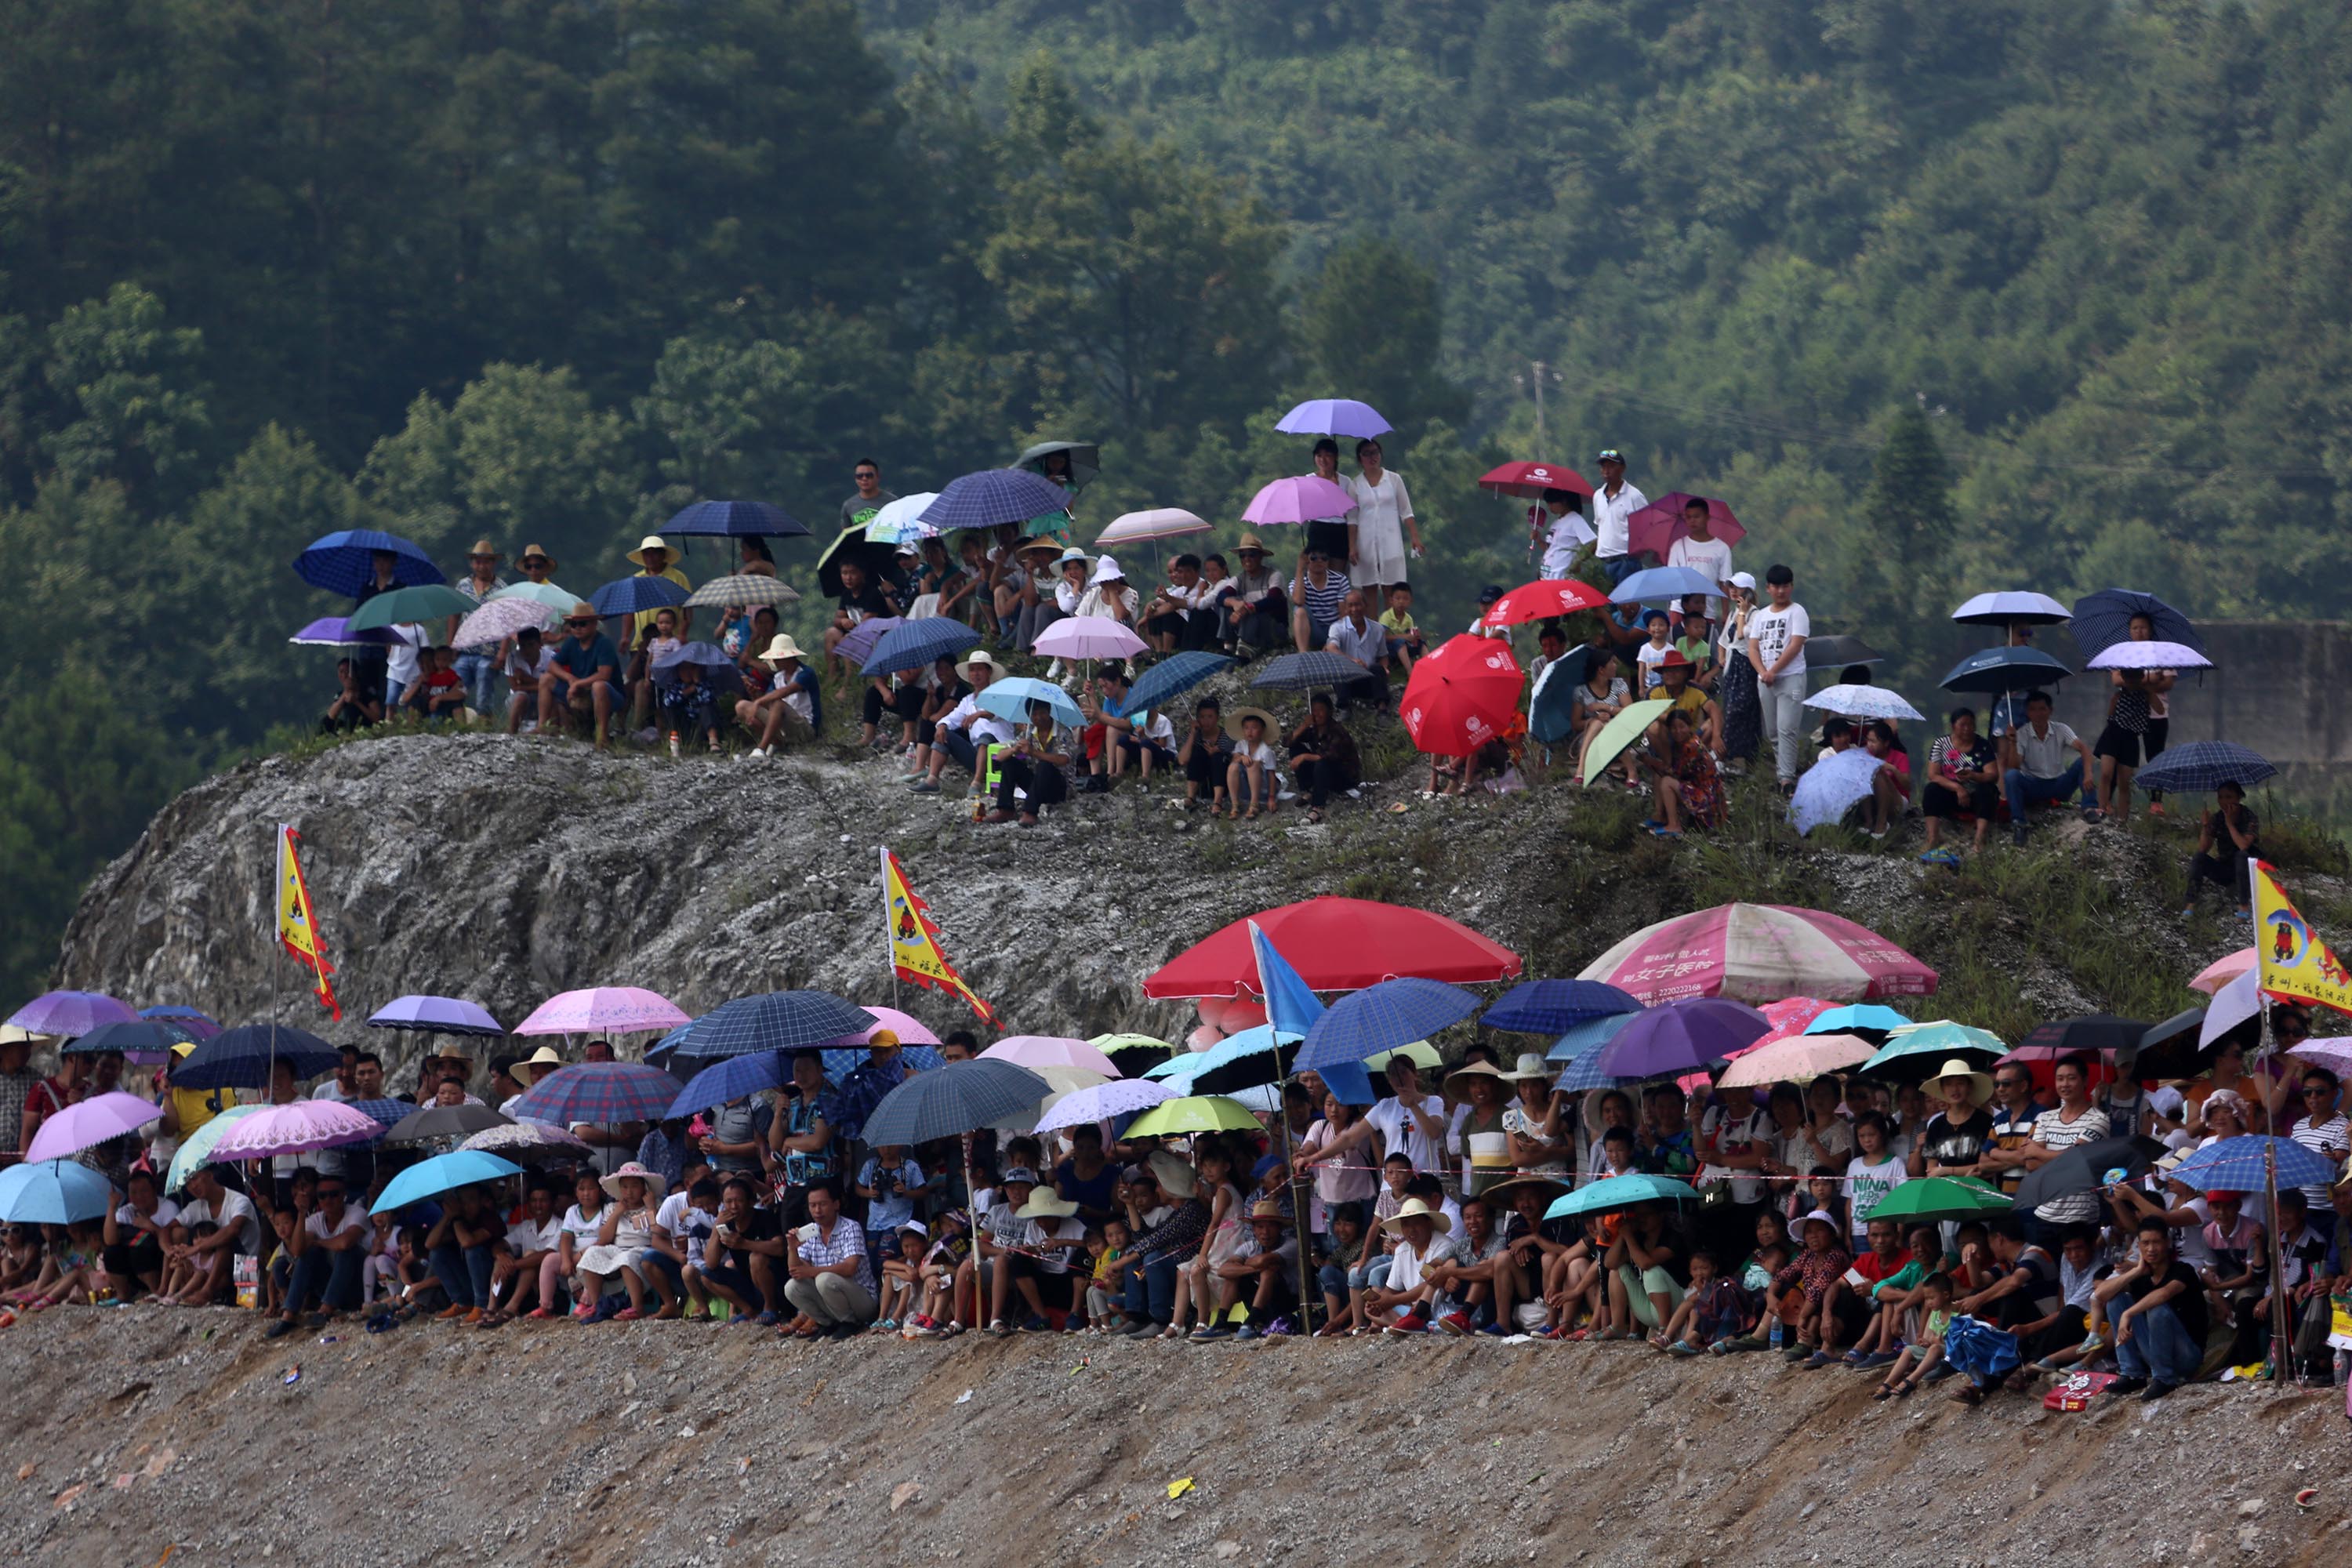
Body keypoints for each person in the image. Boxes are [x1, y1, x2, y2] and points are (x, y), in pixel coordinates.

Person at [2104, 1217, 2207, 1399]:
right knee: (2115, 1301)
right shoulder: (2142, 1276)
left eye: (2156, 1242)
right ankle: (2132, 1374)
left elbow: (2164, 1293)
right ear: (2139, 1246)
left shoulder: (2183, 1270)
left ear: (2167, 1243)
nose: (2151, 1249)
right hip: (2155, 1353)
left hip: (2187, 1357)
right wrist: (2135, 1271)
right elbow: (2101, 1295)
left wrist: (2128, 1314)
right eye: (2145, 1243)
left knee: (2157, 1309)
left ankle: (2165, 1379)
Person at [782, 1177, 878, 1339]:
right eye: (813, 1205)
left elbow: (850, 1268)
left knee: (824, 1279)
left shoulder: (850, 1228)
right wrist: (792, 1247)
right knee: (792, 1287)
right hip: (833, 1301)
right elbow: (796, 1271)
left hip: (863, 1300)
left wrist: (811, 1271)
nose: (817, 1210)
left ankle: (850, 1323)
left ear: (836, 1204)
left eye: (823, 1204)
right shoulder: (811, 1233)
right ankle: (827, 1323)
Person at [2000, 690, 2096, 844]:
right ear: (2027, 712)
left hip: (2058, 784)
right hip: (2033, 785)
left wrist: (2088, 774)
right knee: (2011, 776)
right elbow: (2014, 766)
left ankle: (2089, 807)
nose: (2038, 714)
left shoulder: (2061, 729)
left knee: (2081, 763)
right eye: (2033, 709)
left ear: (2050, 711)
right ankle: (2019, 822)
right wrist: (2012, 743)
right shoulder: (2022, 734)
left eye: (2042, 709)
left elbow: (2084, 749)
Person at [1744, 564, 1809, 792]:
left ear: (1791, 587)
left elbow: (1796, 644)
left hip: (1791, 679)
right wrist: (1763, 671)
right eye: (1776, 587)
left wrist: (1774, 671)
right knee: (1772, 732)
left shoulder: (1797, 612)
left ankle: (1786, 779)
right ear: (1768, 588)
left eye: (1785, 586)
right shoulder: (1761, 616)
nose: (1781, 591)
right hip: (1766, 680)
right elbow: (1753, 648)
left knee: (1787, 728)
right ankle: (1783, 771)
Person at [913, 649, 1014, 793]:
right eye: (972, 670)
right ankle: (932, 780)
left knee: (985, 738)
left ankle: (976, 783)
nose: (975, 673)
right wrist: (942, 726)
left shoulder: (1000, 694)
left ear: (989, 672)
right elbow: (952, 718)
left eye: (980, 669)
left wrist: (979, 714)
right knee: (944, 733)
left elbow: (996, 713)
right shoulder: (968, 700)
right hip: (977, 756)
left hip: (1002, 755)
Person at [1920, 707, 1998, 862]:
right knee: (1931, 790)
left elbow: (1993, 775)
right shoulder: (1941, 744)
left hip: (1976, 794)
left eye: (1970, 725)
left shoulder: (1983, 745)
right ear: (1953, 726)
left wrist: (1974, 776)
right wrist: (1958, 788)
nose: (1967, 729)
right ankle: (1933, 837)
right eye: (1963, 725)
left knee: (1987, 790)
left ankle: (1979, 839)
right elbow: (1933, 774)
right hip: (1951, 793)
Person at [539, 604, 619, 749]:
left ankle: (602, 736)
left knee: (599, 686)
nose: (577, 628)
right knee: (546, 679)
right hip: (580, 688)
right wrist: (570, 679)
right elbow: (552, 666)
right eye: (573, 624)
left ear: (594, 624)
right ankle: (543, 726)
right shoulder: (571, 642)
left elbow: (604, 674)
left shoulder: (604, 643)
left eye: (582, 624)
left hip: (606, 693)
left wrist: (578, 684)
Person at [1637, 707, 1724, 838]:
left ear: (1689, 726)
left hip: (1708, 800)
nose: (1678, 731)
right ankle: (1661, 816)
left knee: (1666, 782)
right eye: (1673, 728)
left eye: (1681, 727)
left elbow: (1675, 773)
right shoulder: (1685, 742)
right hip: (1701, 791)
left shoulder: (1692, 747)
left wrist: (1650, 761)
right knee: (1660, 776)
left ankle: (1674, 825)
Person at [982, 699, 1071, 827]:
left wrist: (1034, 752)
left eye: (1042, 713)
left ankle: (1030, 812)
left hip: (1058, 788)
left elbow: (1064, 759)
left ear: (1049, 712)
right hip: (1037, 786)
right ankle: (1005, 809)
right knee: (1010, 763)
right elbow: (1000, 757)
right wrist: (1015, 749)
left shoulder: (1063, 732)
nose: (1039, 718)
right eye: (1034, 715)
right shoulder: (1029, 733)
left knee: (1044, 765)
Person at [822, 557, 898, 697]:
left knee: (849, 638)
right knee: (831, 633)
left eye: (852, 573)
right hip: (856, 635)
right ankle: (833, 675)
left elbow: (866, 624)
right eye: (844, 573)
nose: (848, 578)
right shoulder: (846, 594)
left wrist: (848, 629)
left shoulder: (872, 593)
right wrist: (843, 621)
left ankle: (849, 684)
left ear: (862, 574)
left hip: (878, 639)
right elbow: (837, 620)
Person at [2184, 779, 2259, 916]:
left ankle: (2243, 907)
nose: (2224, 801)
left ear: (2238, 798)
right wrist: (2206, 826)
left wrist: (2230, 824)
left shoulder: (2249, 817)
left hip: (2248, 870)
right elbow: (2203, 848)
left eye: (2229, 797)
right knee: (2198, 858)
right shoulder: (2218, 818)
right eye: (2220, 797)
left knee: (2241, 856)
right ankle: (2190, 905)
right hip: (2226, 869)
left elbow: (2243, 845)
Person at [737, 635, 819, 760]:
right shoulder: (778, 677)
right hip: (783, 724)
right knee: (742, 706)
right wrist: (755, 695)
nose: (774, 661)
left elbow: (786, 691)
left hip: (805, 726)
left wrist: (759, 701)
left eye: (777, 658)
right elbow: (769, 702)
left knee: (777, 704)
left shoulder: (805, 673)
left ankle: (761, 749)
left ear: (788, 658)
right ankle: (777, 743)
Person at [1570, 647, 1640, 790]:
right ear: (1601, 669)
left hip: (1618, 739)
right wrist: (1592, 720)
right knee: (1597, 723)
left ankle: (1581, 769)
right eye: (1612, 663)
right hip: (1590, 741)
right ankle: (1631, 770)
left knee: (1607, 725)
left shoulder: (1619, 684)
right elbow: (1576, 724)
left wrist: (1607, 708)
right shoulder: (1581, 691)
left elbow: (1631, 712)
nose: (1616, 666)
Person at [1285, 695, 1359, 823]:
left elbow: (1329, 756)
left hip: (1344, 777)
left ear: (1329, 711)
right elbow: (1286, 742)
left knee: (1321, 763)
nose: (1317, 714)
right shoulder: (1313, 730)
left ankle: (1318, 808)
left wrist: (1304, 757)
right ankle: (1309, 789)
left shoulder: (1337, 731)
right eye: (1314, 710)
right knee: (1295, 748)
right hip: (1323, 773)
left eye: (1321, 710)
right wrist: (1304, 725)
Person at [1715, 572, 1761, 770]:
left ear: (1748, 591)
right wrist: (1722, 657)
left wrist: (1743, 612)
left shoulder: (1755, 615)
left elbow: (1742, 634)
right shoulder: (1734, 613)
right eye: (1731, 586)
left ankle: (1732, 753)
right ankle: (1730, 754)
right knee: (1730, 707)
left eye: (1737, 587)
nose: (1732, 590)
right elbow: (1724, 638)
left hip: (1747, 666)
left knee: (1741, 709)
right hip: (1733, 667)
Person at [1664, 496, 1734, 617]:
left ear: (1708, 517)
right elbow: (1672, 578)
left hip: (1706, 610)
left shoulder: (1722, 548)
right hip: (1680, 608)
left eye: (1697, 517)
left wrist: (1725, 613)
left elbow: (1724, 583)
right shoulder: (1678, 546)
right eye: (1689, 517)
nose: (1692, 521)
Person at [1588, 448, 1650, 585]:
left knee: (1627, 605)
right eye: (1603, 467)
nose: (1606, 471)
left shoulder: (1634, 496)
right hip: (1604, 561)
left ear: (1622, 468)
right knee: (1605, 604)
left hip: (1626, 561)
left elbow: (1646, 529)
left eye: (1611, 466)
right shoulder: (1598, 496)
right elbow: (1602, 528)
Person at [1222, 535, 1287, 655]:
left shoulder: (1274, 575)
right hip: (1247, 626)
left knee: (1254, 613)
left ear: (1260, 556)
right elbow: (1221, 597)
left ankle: (1245, 649)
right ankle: (1229, 646)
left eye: (1251, 554)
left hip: (1272, 627)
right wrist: (1235, 604)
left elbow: (1273, 599)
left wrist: (1247, 608)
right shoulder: (1239, 579)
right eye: (1243, 555)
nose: (1247, 559)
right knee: (1227, 604)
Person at [1323, 590, 1388, 707]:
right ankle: (1344, 708)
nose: (1354, 609)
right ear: (1345, 609)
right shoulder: (1337, 627)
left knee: (1377, 668)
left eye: (1358, 605)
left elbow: (1383, 655)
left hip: (1368, 679)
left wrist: (1385, 668)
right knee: (1338, 666)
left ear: (1365, 606)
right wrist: (1352, 661)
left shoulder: (1378, 629)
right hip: (1347, 680)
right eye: (1350, 606)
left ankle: (1382, 710)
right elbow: (1331, 648)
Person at [1289, 545, 1351, 654]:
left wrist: (1333, 641)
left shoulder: (1340, 580)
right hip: (1312, 630)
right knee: (1299, 611)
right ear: (1307, 560)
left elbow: (1344, 615)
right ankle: (1303, 654)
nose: (1319, 561)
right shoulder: (1298, 582)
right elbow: (1298, 601)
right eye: (1314, 558)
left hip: (1334, 630)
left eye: (1324, 558)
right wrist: (1300, 569)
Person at [1174, 695, 1232, 811]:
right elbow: (1182, 760)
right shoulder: (1193, 735)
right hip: (1201, 784)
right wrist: (1192, 735)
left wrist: (1219, 751)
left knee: (1218, 757)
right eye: (1202, 717)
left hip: (1223, 782)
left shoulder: (1227, 736)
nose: (1206, 721)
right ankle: (1191, 797)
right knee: (1196, 752)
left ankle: (1217, 802)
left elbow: (1235, 758)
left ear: (1217, 718)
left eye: (1210, 717)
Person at [1224, 707, 1279, 821]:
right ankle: (1235, 804)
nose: (1250, 731)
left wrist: (1272, 798)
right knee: (1233, 766)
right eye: (1246, 728)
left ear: (1262, 730)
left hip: (1263, 788)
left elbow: (1271, 774)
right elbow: (1235, 758)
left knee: (1253, 766)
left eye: (1254, 728)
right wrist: (1242, 757)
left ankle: (1254, 805)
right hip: (1245, 786)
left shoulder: (1266, 751)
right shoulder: (1241, 745)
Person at [1533, 487, 1593, 580]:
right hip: (1547, 575)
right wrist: (1539, 541)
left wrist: (1578, 562)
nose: (1549, 506)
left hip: (1561, 577)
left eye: (1552, 502)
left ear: (1564, 501)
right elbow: (1551, 550)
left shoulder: (1575, 520)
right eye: (1548, 503)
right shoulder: (1555, 524)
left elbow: (1593, 543)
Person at [321, 656, 383, 732]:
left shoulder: (367, 691)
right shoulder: (341, 694)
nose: (344, 676)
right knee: (325, 723)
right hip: (349, 726)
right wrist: (345, 693)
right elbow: (331, 715)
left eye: (347, 672)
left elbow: (377, 718)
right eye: (341, 672)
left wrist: (357, 702)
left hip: (366, 726)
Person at [840, 458, 895, 533]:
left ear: (878, 477)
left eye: (869, 475)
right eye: (860, 476)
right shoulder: (849, 505)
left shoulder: (892, 502)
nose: (864, 479)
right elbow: (845, 534)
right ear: (855, 478)